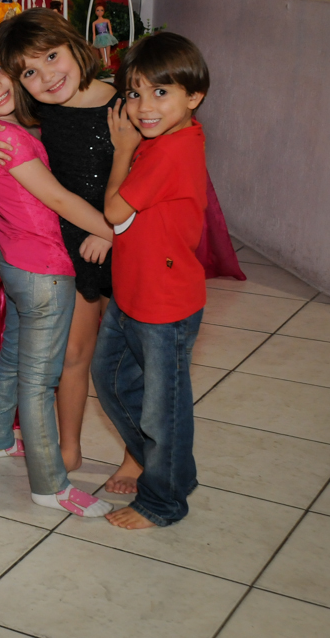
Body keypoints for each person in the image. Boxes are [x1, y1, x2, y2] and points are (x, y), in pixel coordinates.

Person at [0, 28, 113, 519]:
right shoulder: (6, 138)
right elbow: (57, 198)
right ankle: (49, 485)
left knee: (14, 356)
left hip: (14, 261)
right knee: (38, 380)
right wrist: (115, 229)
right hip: (44, 271)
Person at [0, 8, 134, 487]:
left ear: (73, 44)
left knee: (129, 357)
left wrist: (114, 231)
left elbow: (149, 176)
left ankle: (137, 455)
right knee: (74, 355)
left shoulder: (124, 106)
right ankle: (70, 448)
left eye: (53, 58)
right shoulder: (38, 110)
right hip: (76, 246)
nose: (47, 77)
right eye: (30, 73)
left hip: (126, 237)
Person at [95, 32, 210, 529]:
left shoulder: (164, 150)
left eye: (161, 93)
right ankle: (168, 469)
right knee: (112, 378)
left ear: (193, 98)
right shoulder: (167, 138)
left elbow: (115, 210)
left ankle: (162, 500)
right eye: (136, 92)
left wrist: (122, 149)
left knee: (164, 409)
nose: (144, 107)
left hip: (163, 303)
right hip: (133, 291)